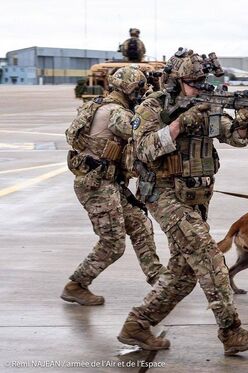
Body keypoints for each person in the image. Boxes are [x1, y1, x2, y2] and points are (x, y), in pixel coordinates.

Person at [117, 48, 248, 355]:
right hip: (163, 194)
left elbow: (235, 138)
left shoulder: (206, 105)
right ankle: (231, 332)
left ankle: (137, 325)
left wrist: (243, 120)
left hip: (195, 197)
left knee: (183, 274)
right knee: (209, 257)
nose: (200, 87)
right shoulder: (153, 107)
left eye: (203, 81)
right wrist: (179, 123)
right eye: (193, 82)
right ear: (175, 82)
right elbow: (144, 149)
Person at [61, 65, 168, 306]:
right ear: (131, 89)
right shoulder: (116, 113)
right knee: (113, 243)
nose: (141, 93)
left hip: (106, 182)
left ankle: (158, 277)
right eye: (140, 89)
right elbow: (140, 130)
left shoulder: (102, 104)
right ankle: (77, 284)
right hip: (96, 185)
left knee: (139, 222)